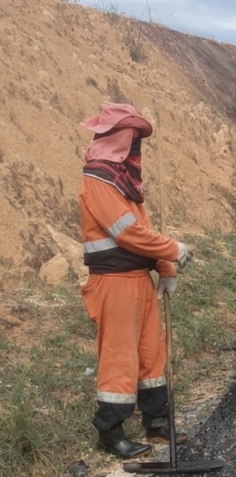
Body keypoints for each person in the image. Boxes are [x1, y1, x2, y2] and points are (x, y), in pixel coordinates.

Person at [79, 103, 195, 459]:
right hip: (113, 283)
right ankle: (110, 432)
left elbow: (143, 230)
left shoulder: (124, 183)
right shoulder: (98, 180)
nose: (136, 147)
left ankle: (156, 421)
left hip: (138, 281)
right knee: (120, 357)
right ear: (119, 139)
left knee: (150, 352)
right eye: (133, 138)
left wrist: (166, 268)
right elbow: (127, 233)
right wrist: (173, 250)